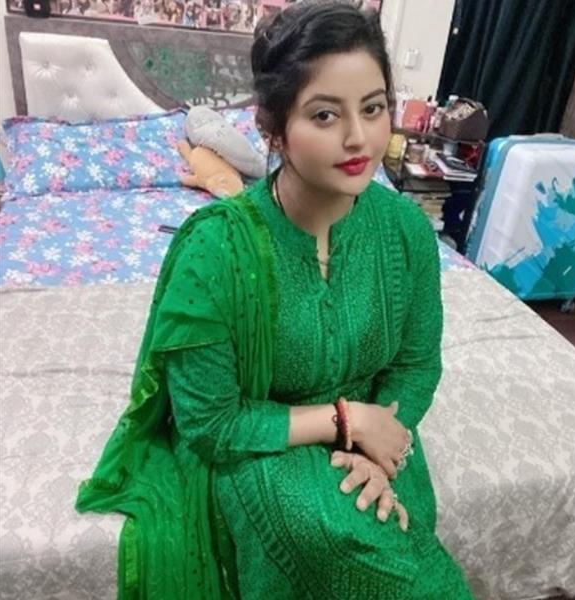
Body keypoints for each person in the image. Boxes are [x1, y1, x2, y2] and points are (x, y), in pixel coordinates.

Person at [76, 1, 476, 599]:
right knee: (349, 548)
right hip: (265, 439)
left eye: (372, 108)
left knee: (402, 548)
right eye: (324, 114)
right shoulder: (216, 251)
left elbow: (416, 365)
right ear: (273, 129)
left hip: (379, 438)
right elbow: (210, 422)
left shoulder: (407, 230)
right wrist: (346, 421)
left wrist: (380, 445)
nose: (357, 137)